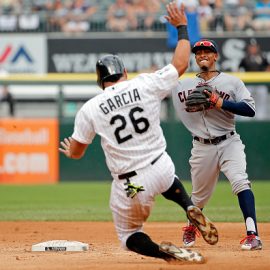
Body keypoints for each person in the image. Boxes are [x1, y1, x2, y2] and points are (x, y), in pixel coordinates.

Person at [59, 2, 218, 264]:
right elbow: (180, 64)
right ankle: (188, 205)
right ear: (124, 73)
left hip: (132, 183)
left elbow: (77, 152)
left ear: (100, 82)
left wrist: (70, 150)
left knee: (129, 235)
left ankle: (166, 254)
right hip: (161, 165)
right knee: (168, 179)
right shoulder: (144, 83)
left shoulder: (90, 108)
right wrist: (181, 28)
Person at [171, 38, 263, 251]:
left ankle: (253, 235)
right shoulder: (182, 85)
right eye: (198, 52)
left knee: (240, 181)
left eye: (207, 51)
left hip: (229, 141)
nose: (202, 55)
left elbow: (250, 109)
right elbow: (155, 85)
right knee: (199, 196)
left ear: (216, 56)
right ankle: (191, 226)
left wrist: (220, 103)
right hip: (201, 146)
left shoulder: (232, 82)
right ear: (195, 58)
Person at [239, 39, 270, 120]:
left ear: (258, 47)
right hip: (249, 84)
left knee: (261, 100)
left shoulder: (262, 57)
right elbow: (239, 69)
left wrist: (265, 75)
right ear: (249, 48)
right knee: (247, 101)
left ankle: (261, 117)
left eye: (254, 47)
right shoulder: (245, 58)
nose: (253, 48)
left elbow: (268, 67)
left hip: (261, 84)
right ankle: (245, 117)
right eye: (251, 47)